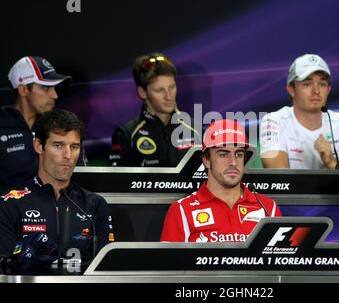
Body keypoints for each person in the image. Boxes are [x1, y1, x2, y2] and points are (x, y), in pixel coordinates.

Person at [0, 110, 114, 261]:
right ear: (39, 146)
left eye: (74, 147)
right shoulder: (10, 204)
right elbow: (5, 270)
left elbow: (107, 269)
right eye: (58, 145)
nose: (67, 156)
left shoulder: (95, 205)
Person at [259, 53, 339, 190]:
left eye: (322, 84)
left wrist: (334, 163)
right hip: (292, 207)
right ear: (291, 89)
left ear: (329, 90)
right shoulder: (274, 121)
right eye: (307, 84)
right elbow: (278, 180)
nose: (316, 91)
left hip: (335, 205)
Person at [161, 119, 282, 242]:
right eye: (223, 154)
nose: (233, 162)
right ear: (206, 160)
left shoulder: (268, 208)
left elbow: (279, 259)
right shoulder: (181, 210)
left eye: (239, 154)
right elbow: (168, 261)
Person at [0, 56, 78, 193]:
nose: (55, 95)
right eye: (46, 87)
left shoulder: (60, 126)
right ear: (23, 89)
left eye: (54, 87)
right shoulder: (3, 126)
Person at [109, 52, 198, 167]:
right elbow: (116, 182)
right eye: (159, 90)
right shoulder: (127, 135)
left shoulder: (195, 129)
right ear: (142, 92)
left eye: (172, 87)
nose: (169, 96)